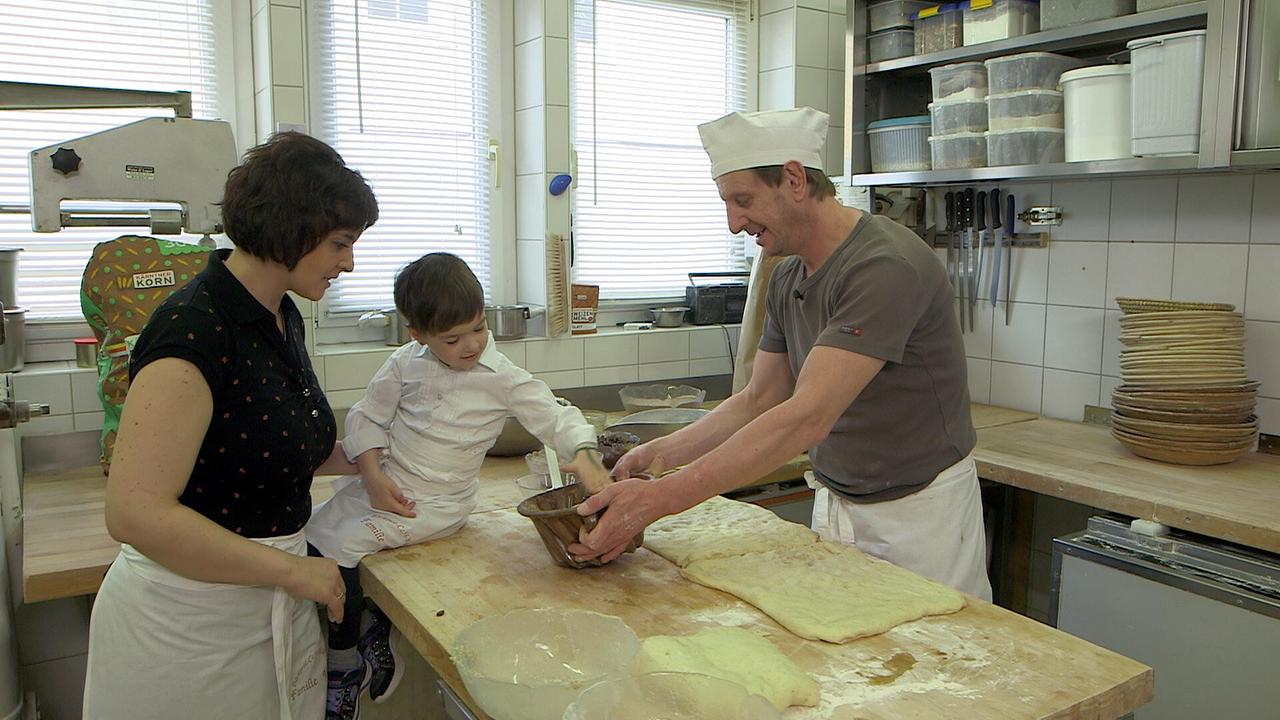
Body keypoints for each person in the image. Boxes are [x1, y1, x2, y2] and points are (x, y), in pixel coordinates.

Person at [571, 107, 992, 600]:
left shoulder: (883, 267)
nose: (733, 224)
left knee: (937, 660)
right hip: (838, 498)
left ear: (794, 179)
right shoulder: (789, 274)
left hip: (920, 515)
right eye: (727, 203)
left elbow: (805, 417)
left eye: (743, 200)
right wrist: (651, 458)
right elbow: (761, 399)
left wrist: (657, 500)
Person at [84, 131, 379, 719]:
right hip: (188, 626)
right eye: (341, 243)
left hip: (263, 602)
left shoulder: (279, 313)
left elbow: (259, 440)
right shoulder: (193, 331)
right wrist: (294, 571)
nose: (349, 262)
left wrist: (368, 458)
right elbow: (135, 513)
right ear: (289, 230)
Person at [305, 252, 612, 718]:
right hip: (382, 484)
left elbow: (554, 415)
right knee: (312, 540)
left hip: (435, 505)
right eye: (452, 339)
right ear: (418, 336)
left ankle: (346, 661)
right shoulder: (404, 364)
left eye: (478, 327)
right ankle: (369, 624)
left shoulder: (500, 377)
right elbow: (368, 417)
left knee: (339, 547)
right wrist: (371, 473)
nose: (471, 345)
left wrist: (587, 457)